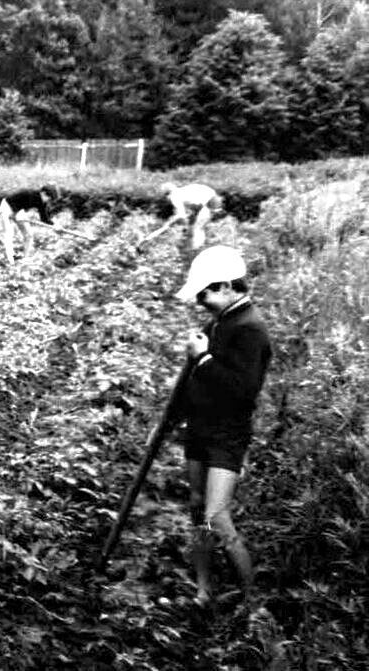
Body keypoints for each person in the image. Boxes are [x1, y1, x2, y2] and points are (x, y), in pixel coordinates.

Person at [170, 245, 272, 607]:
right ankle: (203, 590)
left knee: (217, 517)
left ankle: (251, 603)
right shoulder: (217, 322)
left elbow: (243, 392)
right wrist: (170, 420)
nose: (200, 300)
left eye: (205, 293)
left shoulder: (251, 329)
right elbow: (193, 380)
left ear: (228, 286)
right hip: (199, 428)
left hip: (227, 434)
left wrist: (205, 357)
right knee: (197, 509)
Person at [138, 182, 224, 251]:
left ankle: (196, 251)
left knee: (194, 230)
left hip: (211, 202)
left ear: (167, 194)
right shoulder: (183, 191)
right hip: (216, 199)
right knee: (193, 226)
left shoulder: (174, 196)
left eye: (165, 197)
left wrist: (169, 223)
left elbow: (181, 215)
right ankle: (201, 246)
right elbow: (194, 209)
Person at [0, 185, 58, 264]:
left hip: (18, 210)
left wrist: (54, 225)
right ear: (43, 193)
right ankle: (10, 259)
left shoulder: (42, 202)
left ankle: (25, 258)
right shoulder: (29, 193)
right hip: (7, 206)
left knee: (29, 234)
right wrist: (12, 216)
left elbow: (44, 218)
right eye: (48, 198)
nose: (48, 200)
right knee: (9, 232)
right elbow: (10, 200)